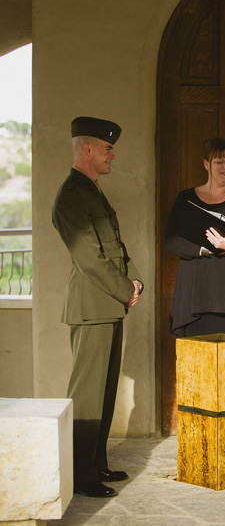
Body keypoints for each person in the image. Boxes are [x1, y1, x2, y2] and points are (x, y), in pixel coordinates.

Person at [52, 116, 143, 499]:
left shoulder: (92, 190)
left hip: (109, 305)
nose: (113, 155)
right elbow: (89, 257)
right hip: (93, 306)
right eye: (107, 149)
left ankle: (95, 463)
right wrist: (125, 289)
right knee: (88, 395)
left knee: (104, 393)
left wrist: (134, 281)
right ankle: (80, 475)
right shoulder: (72, 194)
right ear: (87, 149)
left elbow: (115, 245)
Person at [165, 137, 225, 337]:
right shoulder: (186, 198)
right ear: (206, 164)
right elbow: (171, 238)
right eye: (220, 161)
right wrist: (202, 250)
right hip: (197, 284)